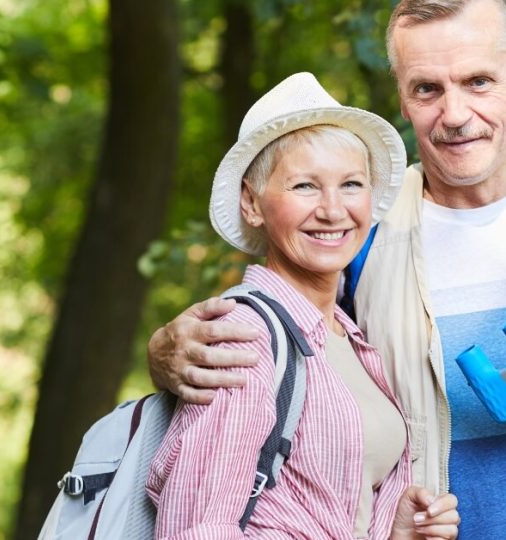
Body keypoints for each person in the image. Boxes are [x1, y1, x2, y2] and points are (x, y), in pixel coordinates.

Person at [148, 1, 506, 538]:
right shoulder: (357, 235)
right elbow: (278, 379)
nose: (453, 114)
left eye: (478, 81)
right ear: (402, 96)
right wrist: (165, 358)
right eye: (427, 88)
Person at [146, 72, 459, 539]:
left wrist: (394, 531)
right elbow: (197, 527)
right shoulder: (244, 336)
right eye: (305, 187)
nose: (334, 210)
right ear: (252, 203)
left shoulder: (348, 336)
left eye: (351, 184)